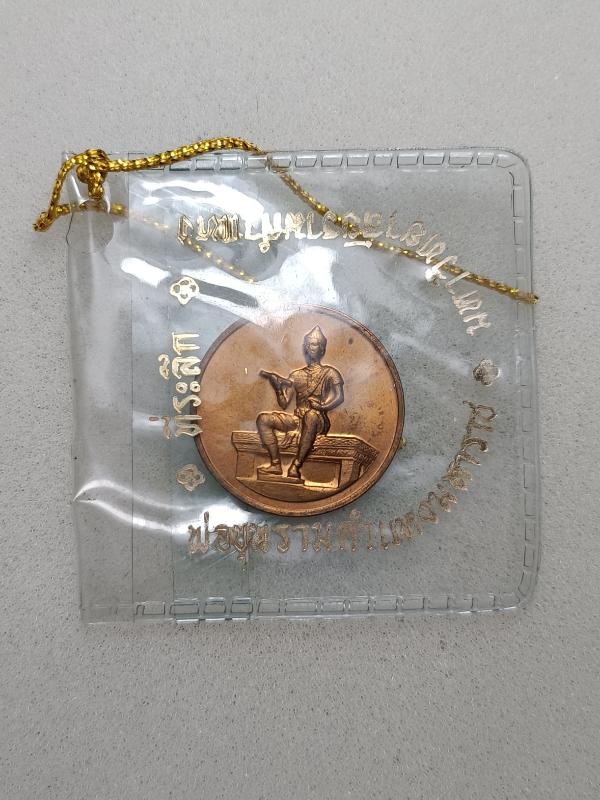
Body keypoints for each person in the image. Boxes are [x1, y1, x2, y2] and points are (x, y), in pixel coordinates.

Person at [257, 326, 344, 480]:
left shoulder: (330, 373)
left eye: (314, 344)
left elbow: (340, 397)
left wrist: (322, 406)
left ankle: (296, 466)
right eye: (307, 344)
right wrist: (277, 388)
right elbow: (284, 404)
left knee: (311, 416)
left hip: (318, 420)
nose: (309, 347)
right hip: (297, 419)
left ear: (322, 349)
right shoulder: (296, 375)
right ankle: (275, 464)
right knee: (263, 419)